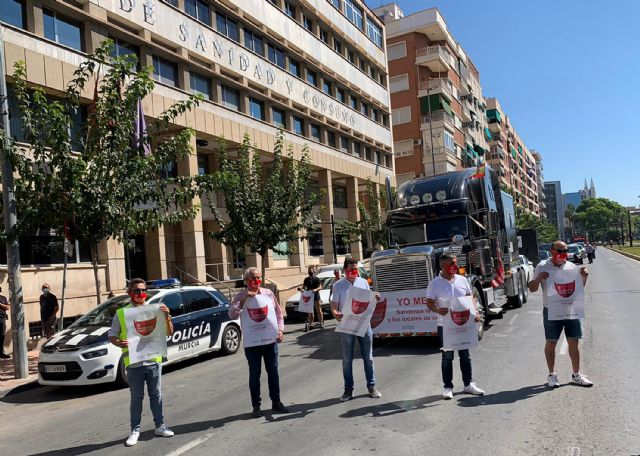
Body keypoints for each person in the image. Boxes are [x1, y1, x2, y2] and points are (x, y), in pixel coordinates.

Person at [108, 278, 175, 447]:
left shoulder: (156, 310)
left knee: (156, 395)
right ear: (129, 293)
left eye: (142, 290)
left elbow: (169, 333)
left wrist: (167, 317)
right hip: (134, 363)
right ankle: (135, 430)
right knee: (136, 398)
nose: (140, 293)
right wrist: (118, 342)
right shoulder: (122, 313)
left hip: (153, 360)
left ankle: (160, 426)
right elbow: (112, 335)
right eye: (136, 290)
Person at [528, 240, 593, 388]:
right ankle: (552, 375)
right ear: (552, 251)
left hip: (570, 309)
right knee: (551, 342)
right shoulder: (542, 266)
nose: (563, 254)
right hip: (551, 310)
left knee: (573, 341)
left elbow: (577, 289)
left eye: (565, 251)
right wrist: (538, 279)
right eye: (560, 251)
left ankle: (576, 375)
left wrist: (584, 277)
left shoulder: (571, 266)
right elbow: (532, 289)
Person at [229, 267, 290, 418]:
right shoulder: (240, 296)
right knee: (254, 374)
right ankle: (256, 406)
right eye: (252, 279)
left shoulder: (268, 294)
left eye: (258, 279)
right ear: (246, 281)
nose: (256, 282)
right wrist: (244, 300)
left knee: (273, 372)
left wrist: (280, 330)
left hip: (270, 341)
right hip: (252, 343)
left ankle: (276, 402)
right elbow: (231, 314)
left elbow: (278, 314)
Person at [425, 253, 484, 400]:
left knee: (465, 355)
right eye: (452, 264)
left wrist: (476, 313)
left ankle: (468, 384)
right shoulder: (434, 284)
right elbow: (429, 302)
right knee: (447, 357)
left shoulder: (462, 280)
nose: (456, 266)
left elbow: (471, 298)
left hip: (464, 323)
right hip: (445, 326)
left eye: (456, 263)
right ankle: (447, 387)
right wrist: (438, 310)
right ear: (443, 266)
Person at [330, 257, 382, 401]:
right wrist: (335, 314)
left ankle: (371, 386)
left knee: (369, 358)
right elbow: (334, 304)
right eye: (350, 269)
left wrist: (375, 297)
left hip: (364, 325)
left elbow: (369, 299)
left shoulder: (363, 282)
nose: (353, 271)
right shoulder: (338, 285)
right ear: (344, 270)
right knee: (347, 360)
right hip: (347, 326)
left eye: (355, 269)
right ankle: (348, 390)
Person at [300, 266, 323, 331]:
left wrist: (316, 289)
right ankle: (311, 323)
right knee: (310, 311)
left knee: (318, 310)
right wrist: (301, 289)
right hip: (309, 296)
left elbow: (320, 287)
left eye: (312, 269)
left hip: (316, 296)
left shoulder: (317, 279)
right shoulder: (306, 279)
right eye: (309, 269)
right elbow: (303, 287)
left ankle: (321, 322)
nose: (310, 271)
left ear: (314, 271)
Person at [0, 287, 9, 359]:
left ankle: (1, 353)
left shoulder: (3, 298)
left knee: (2, 336)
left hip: (2, 319)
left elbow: (7, 307)